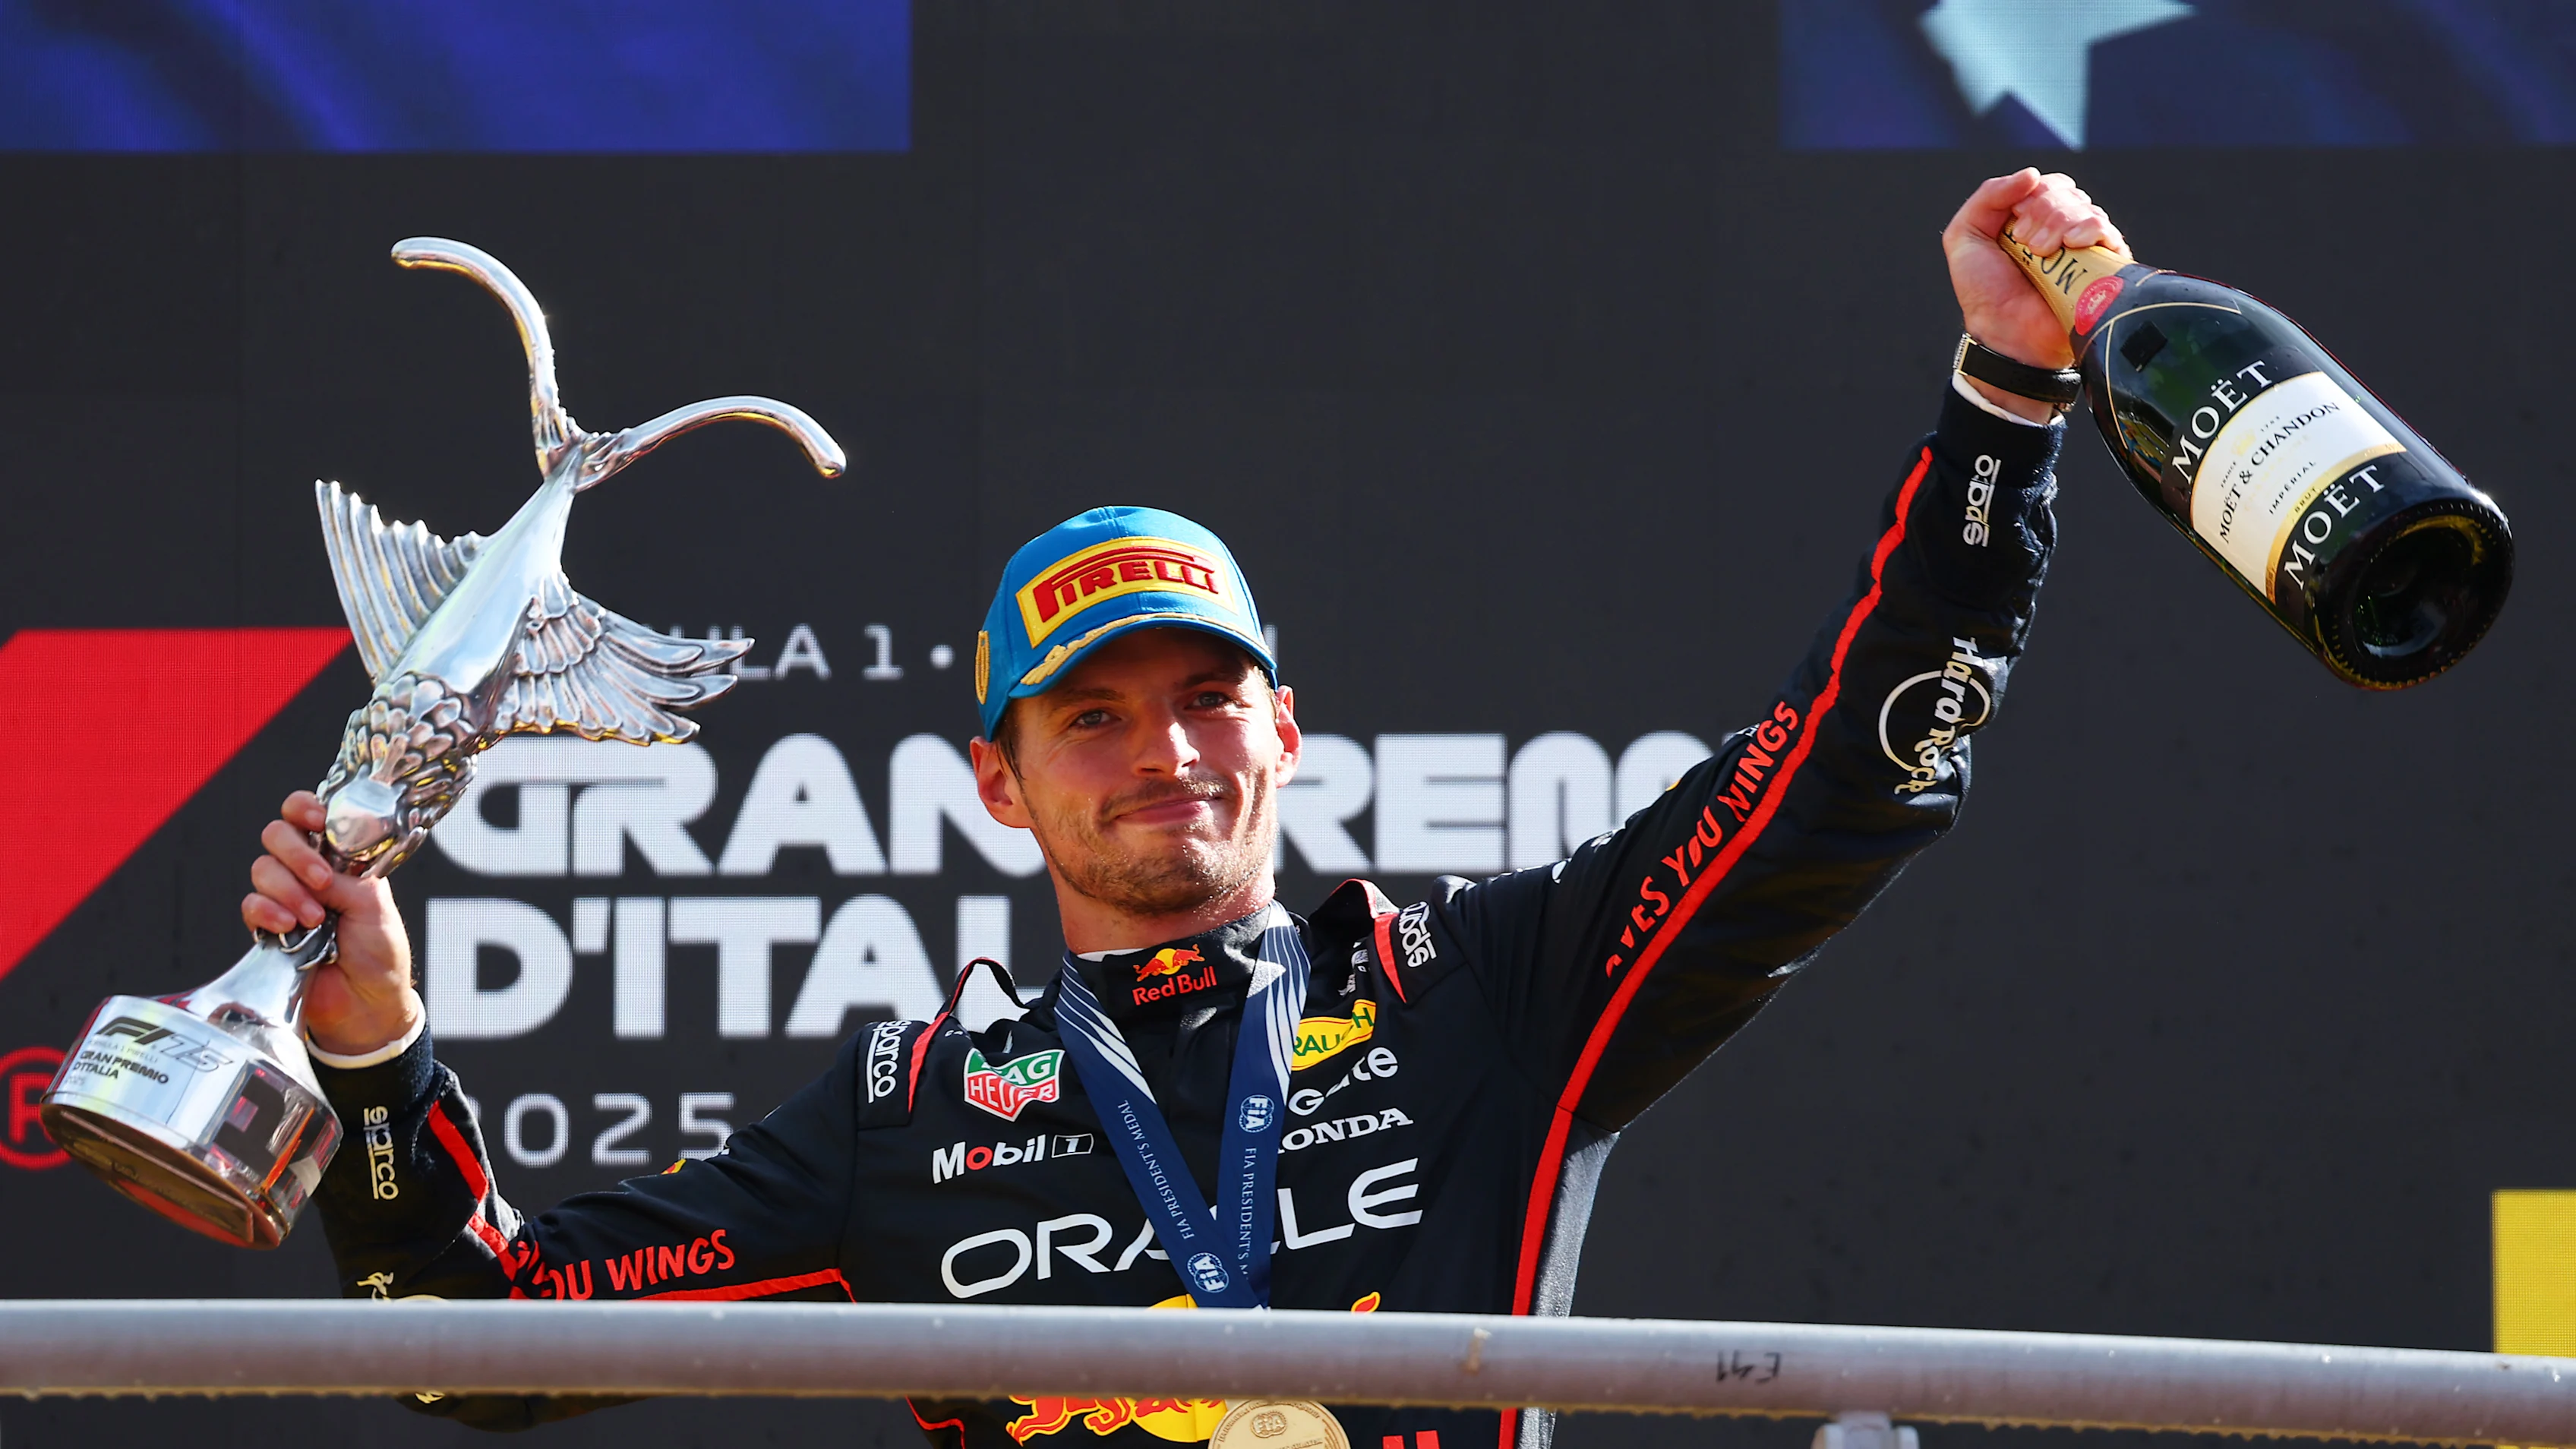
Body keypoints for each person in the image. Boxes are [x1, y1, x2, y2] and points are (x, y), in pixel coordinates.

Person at [242, 169, 2122, 1446]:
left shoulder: (1476, 985)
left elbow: (1841, 776)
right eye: (1093, 717)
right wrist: (372, 1044)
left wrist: (2000, 414)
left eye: (1209, 699)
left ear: (1285, 731)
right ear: (997, 782)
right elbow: (477, 1343)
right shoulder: (914, 1113)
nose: (1167, 753)